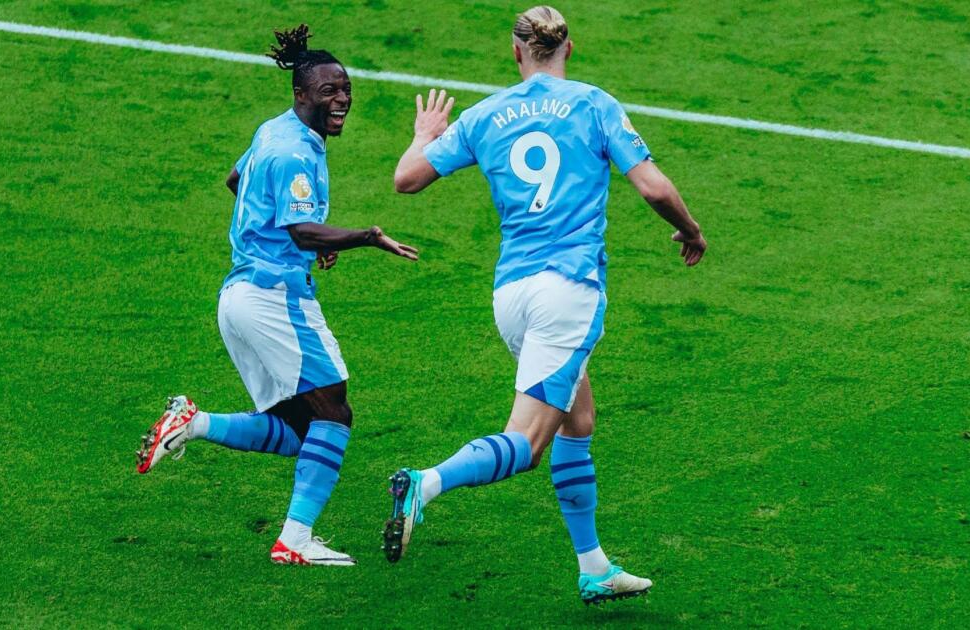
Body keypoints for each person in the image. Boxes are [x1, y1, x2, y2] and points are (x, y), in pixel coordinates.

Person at [383, 5, 706, 605]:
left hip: (512, 295)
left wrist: (424, 136)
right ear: (568, 49)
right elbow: (653, 186)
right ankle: (424, 484)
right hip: (568, 291)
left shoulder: (485, 115)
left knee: (577, 422)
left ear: (516, 53)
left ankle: (594, 567)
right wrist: (691, 230)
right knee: (528, 443)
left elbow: (406, 179)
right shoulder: (593, 104)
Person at [135, 24, 418, 567]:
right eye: (330, 91)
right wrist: (363, 236)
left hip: (239, 296)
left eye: (346, 89)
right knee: (334, 411)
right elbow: (301, 231)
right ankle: (294, 540)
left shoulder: (274, 130)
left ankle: (193, 423)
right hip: (274, 299)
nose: (342, 100)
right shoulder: (294, 153)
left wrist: (302, 236)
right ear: (301, 93)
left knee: (299, 428)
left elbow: (236, 181)